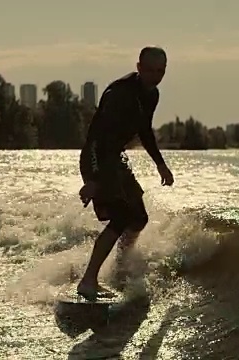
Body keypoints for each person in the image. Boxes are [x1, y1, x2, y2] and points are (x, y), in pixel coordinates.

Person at [77, 46, 174, 301]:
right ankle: (88, 280)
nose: (156, 76)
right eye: (151, 70)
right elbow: (99, 138)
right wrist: (94, 180)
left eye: (161, 71)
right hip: (98, 156)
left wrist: (160, 164)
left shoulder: (151, 95)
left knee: (139, 218)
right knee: (121, 216)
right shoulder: (119, 94)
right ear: (139, 67)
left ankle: (119, 268)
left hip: (116, 157)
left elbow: (145, 131)